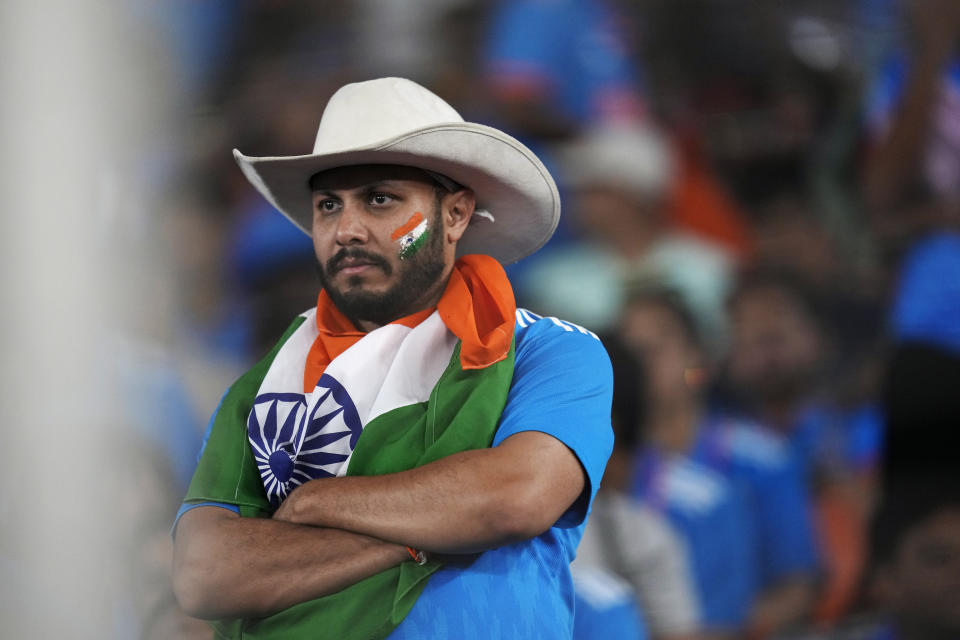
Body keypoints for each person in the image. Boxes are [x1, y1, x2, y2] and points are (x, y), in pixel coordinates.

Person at [171, 77, 614, 640]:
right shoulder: (260, 389)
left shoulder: (549, 351)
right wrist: (437, 524)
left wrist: (314, 503)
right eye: (329, 205)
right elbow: (204, 574)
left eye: (380, 199)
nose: (347, 229)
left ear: (455, 215)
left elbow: (516, 497)